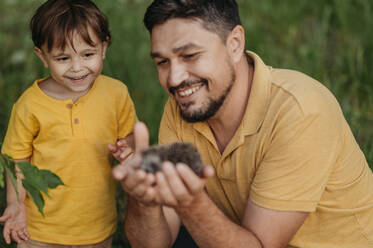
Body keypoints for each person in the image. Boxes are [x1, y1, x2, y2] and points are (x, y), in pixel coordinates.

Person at [112, 0, 373, 247]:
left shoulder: (301, 112)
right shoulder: (184, 106)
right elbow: (155, 243)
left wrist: (190, 203)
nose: (174, 79)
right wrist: (144, 199)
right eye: (162, 62)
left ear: (235, 44)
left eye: (190, 55)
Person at [0, 0, 137, 247]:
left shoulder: (116, 94)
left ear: (104, 47)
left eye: (88, 54)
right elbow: (16, 160)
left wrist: (127, 149)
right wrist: (16, 205)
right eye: (63, 58)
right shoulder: (30, 104)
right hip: (39, 231)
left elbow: (130, 137)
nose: (77, 68)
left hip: (96, 227)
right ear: (42, 56)